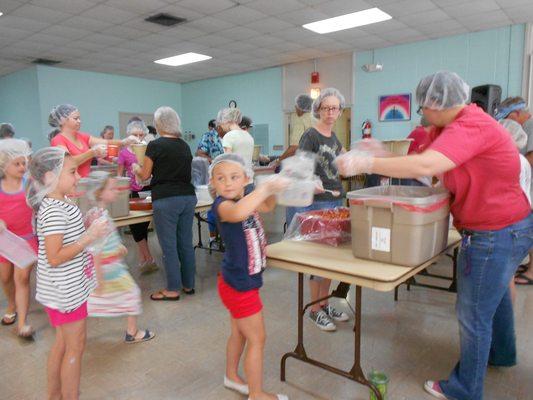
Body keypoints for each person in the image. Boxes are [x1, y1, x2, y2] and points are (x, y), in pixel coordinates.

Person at [336, 71, 533, 400]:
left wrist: (367, 162)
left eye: (424, 108)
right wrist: (382, 154)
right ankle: (502, 354)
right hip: (512, 224)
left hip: (495, 231)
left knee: (472, 314)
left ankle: (465, 389)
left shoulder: (470, 125)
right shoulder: (460, 124)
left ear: (439, 104)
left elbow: (425, 167)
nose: (423, 115)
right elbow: (436, 173)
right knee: (496, 297)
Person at [27, 147, 108, 400]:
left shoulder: (63, 200)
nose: (78, 177)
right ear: (50, 177)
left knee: (63, 343)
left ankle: (55, 395)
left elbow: (65, 236)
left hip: (69, 285)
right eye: (72, 172)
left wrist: (85, 223)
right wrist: (88, 237)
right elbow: (54, 256)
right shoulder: (52, 210)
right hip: (65, 290)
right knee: (76, 346)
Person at [210, 153, 289, 400]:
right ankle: (256, 394)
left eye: (234, 177)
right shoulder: (223, 205)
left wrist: (274, 187)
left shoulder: (245, 197)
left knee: (240, 333)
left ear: (246, 179)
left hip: (238, 281)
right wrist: (263, 187)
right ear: (213, 183)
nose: (228, 183)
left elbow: (267, 206)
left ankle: (231, 376)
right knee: (257, 338)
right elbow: (237, 213)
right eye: (220, 178)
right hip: (239, 285)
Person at [286, 88, 349, 332]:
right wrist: (313, 183)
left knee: (330, 260)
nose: (331, 112)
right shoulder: (311, 136)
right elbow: (299, 169)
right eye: (326, 108)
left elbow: (342, 163)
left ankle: (324, 304)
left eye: (335, 108)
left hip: (334, 201)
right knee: (318, 261)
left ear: (340, 111)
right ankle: (314, 308)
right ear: (318, 110)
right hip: (318, 203)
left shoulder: (334, 138)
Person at [84, 171, 155, 344]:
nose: (117, 191)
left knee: (91, 300)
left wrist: (118, 247)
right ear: (99, 192)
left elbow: (106, 239)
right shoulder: (98, 218)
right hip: (108, 268)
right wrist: (99, 277)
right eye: (112, 188)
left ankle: (78, 332)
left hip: (111, 266)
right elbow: (95, 250)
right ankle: (132, 332)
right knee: (132, 293)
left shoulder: (99, 212)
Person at [134, 106, 197, 301]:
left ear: (159, 124)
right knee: (185, 243)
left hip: (166, 199)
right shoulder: (184, 145)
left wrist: (136, 167)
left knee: (168, 245)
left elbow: (145, 175)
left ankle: (172, 289)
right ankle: (188, 284)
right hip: (188, 197)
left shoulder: (156, 145)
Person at [0, 139, 36, 339]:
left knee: (21, 278)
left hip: (27, 240)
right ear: (4, 165)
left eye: (24, 163)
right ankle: (11, 303)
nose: (23, 167)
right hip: (5, 242)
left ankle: (22, 323)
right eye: (17, 163)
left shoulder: (29, 185)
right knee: (5, 278)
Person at [48, 104, 138, 177]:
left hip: (83, 186)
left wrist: (124, 142)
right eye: (76, 119)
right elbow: (69, 163)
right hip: (70, 188)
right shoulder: (58, 140)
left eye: (79, 118)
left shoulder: (82, 137)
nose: (79, 121)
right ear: (63, 120)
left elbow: (107, 142)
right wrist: (92, 152)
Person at [117, 120, 156, 273]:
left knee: (144, 226)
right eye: (135, 135)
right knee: (135, 227)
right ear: (128, 135)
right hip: (132, 193)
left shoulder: (147, 150)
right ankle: (148, 258)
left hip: (148, 190)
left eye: (141, 135)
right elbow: (119, 175)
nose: (138, 138)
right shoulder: (124, 152)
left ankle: (144, 258)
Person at [500, 119, 533, 287]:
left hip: (514, 219)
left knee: (505, 275)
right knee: (507, 273)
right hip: (523, 214)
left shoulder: (513, 161)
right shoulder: (521, 159)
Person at [272, 94, 314, 166]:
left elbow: (294, 147)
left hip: (305, 165)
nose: (295, 107)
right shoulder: (315, 119)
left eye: (296, 105)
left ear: (300, 108)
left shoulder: (301, 121)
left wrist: (278, 161)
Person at [495, 96, 533, 165]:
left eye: (505, 117)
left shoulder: (530, 124)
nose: (505, 123)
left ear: (516, 113)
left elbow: (531, 158)